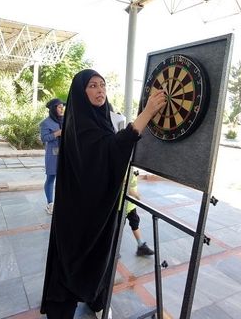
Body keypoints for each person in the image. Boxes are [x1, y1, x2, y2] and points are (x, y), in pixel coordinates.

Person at [40, 69, 166, 319]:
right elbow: (109, 150)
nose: (100, 91)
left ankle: (96, 298)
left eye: (103, 85)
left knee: (98, 257)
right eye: (92, 86)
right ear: (80, 92)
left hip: (95, 207)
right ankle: (64, 308)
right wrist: (147, 113)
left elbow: (109, 151)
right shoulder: (81, 125)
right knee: (74, 261)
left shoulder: (99, 119)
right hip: (77, 214)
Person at [108, 104, 153, 256]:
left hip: (129, 203)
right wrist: (133, 192)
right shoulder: (115, 147)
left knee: (134, 222)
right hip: (120, 202)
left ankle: (141, 245)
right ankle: (112, 249)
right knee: (116, 226)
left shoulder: (128, 150)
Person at [40, 98, 65, 214]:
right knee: (51, 178)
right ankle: (50, 204)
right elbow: (44, 138)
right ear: (53, 109)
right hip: (53, 154)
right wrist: (57, 133)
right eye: (59, 107)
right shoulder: (46, 123)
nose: (62, 109)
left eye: (62, 107)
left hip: (65, 154)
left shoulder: (66, 120)